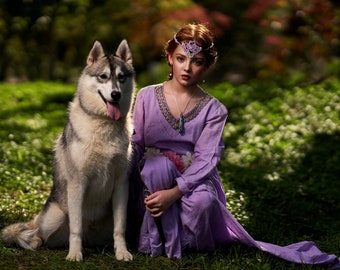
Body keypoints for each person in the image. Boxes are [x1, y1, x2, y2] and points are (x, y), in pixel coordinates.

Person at [127, 23, 340, 268]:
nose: (187, 68)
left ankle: (186, 240)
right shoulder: (146, 96)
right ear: (169, 58)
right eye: (181, 59)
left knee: (203, 204)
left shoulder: (214, 109)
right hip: (152, 177)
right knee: (158, 167)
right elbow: (137, 143)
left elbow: (207, 158)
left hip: (192, 177)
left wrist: (173, 194)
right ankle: (153, 238)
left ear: (206, 65)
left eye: (196, 61)